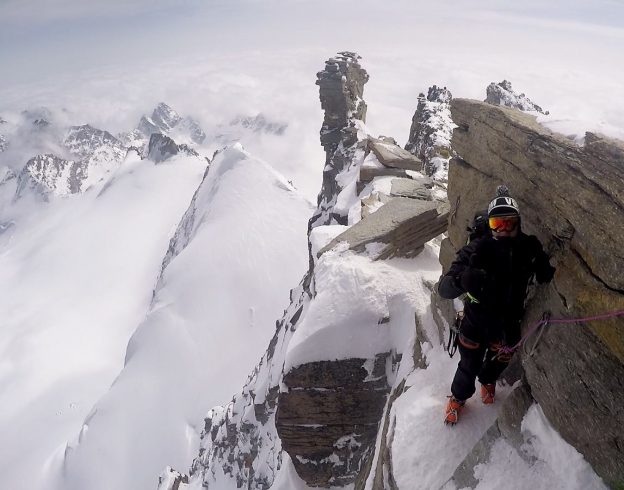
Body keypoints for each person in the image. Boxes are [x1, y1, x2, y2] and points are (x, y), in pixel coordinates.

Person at [438, 186, 555, 425]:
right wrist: (462, 280)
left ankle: (488, 380)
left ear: (518, 223)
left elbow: (545, 275)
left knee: (497, 362)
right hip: (477, 324)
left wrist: (543, 266)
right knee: (467, 366)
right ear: (489, 226)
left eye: (507, 223)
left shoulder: (527, 249)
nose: (502, 230)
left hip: (506, 324)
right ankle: (459, 397)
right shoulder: (475, 251)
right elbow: (444, 288)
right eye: (496, 225)